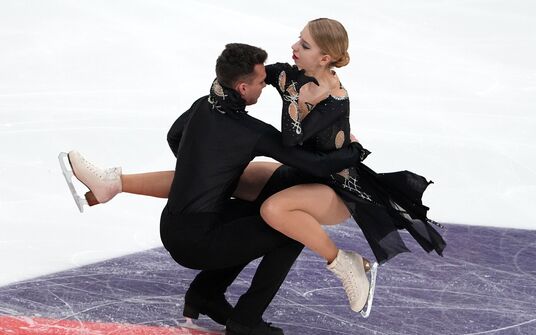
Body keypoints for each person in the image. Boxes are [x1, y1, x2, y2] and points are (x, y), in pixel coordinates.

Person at [62, 18, 446, 319]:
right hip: (302, 170)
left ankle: (345, 264)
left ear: (325, 58)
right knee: (226, 173)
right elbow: (249, 75)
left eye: (304, 44)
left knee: (274, 211)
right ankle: (114, 182)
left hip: (332, 184)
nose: (294, 47)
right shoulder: (289, 74)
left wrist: (352, 154)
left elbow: (296, 144)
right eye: (298, 39)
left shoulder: (335, 101)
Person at [60, 42, 368, 335]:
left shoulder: (203, 105)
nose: (266, 86)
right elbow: (313, 164)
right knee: (291, 230)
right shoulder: (252, 131)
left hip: (173, 226)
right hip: (200, 243)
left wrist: (206, 170)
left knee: (255, 215)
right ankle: (247, 320)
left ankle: (205, 295)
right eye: (261, 82)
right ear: (243, 87)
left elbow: (174, 136)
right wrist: (352, 153)